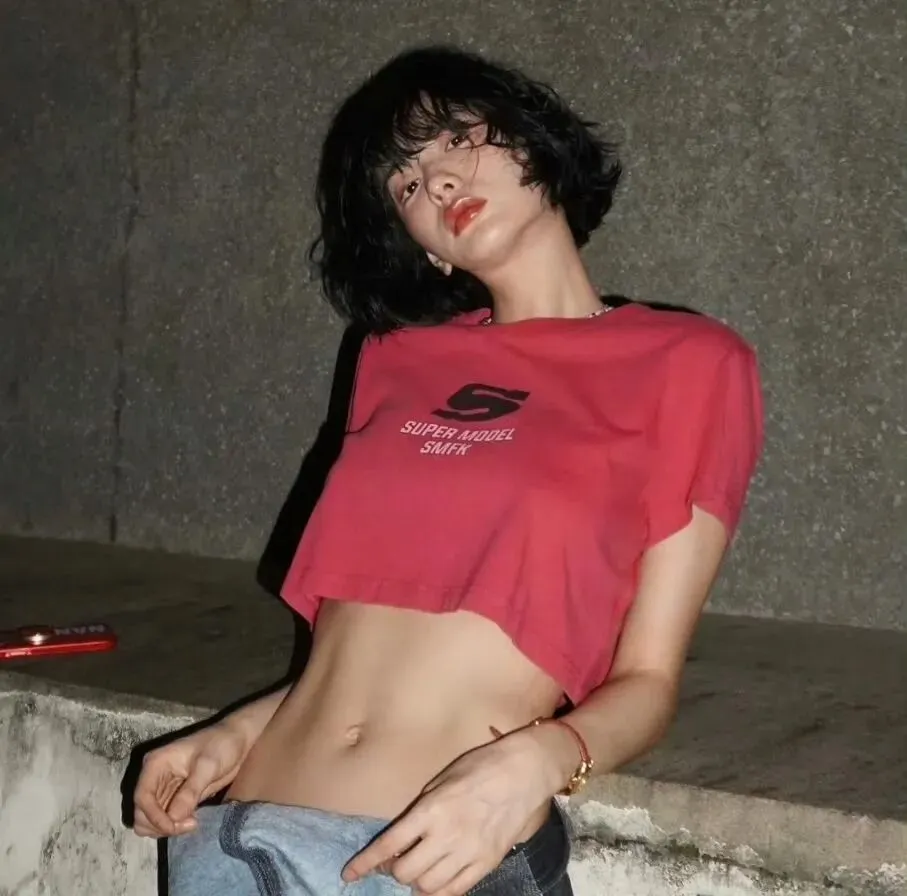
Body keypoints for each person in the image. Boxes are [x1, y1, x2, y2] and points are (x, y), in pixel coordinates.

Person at [132, 45, 764, 896]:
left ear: (534, 146)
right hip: (235, 842)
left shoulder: (688, 362)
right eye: (404, 185)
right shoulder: (394, 356)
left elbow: (647, 683)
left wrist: (538, 762)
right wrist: (236, 735)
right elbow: (361, 650)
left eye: (456, 141)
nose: (434, 182)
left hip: (434, 860)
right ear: (424, 249)